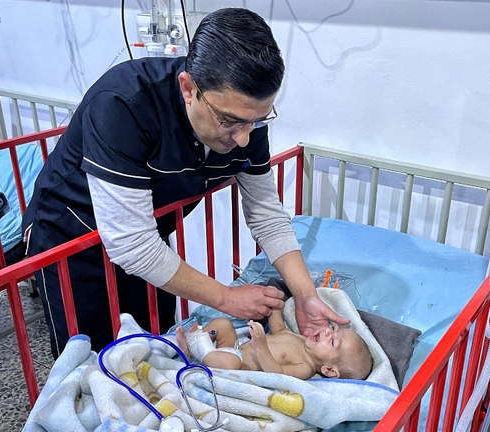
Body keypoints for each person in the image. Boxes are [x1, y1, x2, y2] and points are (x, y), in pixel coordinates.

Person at [22, 7, 349, 357]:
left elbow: (267, 215)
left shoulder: (246, 123)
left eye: (257, 119)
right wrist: (226, 298)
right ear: (188, 88)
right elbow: (130, 244)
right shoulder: (124, 105)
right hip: (72, 239)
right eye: (229, 121)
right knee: (93, 360)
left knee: (154, 344)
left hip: (148, 241)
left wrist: (305, 295)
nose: (243, 138)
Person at [176, 312, 373, 380]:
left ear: (329, 370)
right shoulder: (300, 339)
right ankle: (195, 348)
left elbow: (276, 373)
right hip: (236, 345)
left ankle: (197, 347)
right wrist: (276, 309)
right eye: (332, 329)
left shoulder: (305, 367)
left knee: (230, 362)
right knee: (222, 324)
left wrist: (262, 346)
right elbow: (278, 330)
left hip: (237, 364)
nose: (328, 332)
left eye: (332, 341)